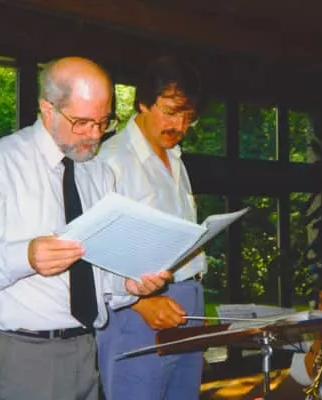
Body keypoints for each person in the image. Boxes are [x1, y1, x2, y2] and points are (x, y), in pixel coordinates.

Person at [0, 56, 170, 400]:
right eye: (82, 122)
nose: (95, 134)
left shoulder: (99, 174)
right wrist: (26, 257)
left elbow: (97, 280)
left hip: (85, 351)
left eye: (104, 121)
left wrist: (129, 285)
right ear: (48, 109)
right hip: (17, 356)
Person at [95, 55, 206, 400]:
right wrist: (139, 304)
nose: (180, 125)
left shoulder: (175, 157)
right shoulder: (110, 159)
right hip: (138, 307)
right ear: (143, 102)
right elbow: (92, 246)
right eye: (171, 112)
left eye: (189, 117)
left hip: (188, 299)